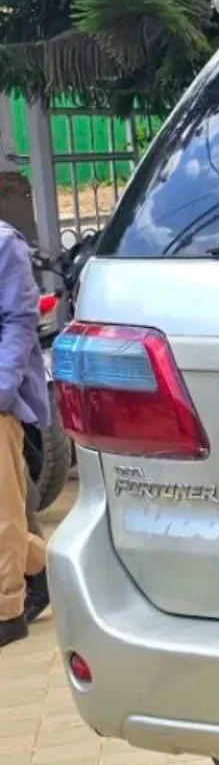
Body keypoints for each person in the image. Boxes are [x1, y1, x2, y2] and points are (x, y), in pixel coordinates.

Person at [0, 221, 49, 649]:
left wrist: (1, 390)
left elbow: (19, 323)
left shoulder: (3, 244)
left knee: (3, 516)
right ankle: (48, 566)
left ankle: (8, 612)